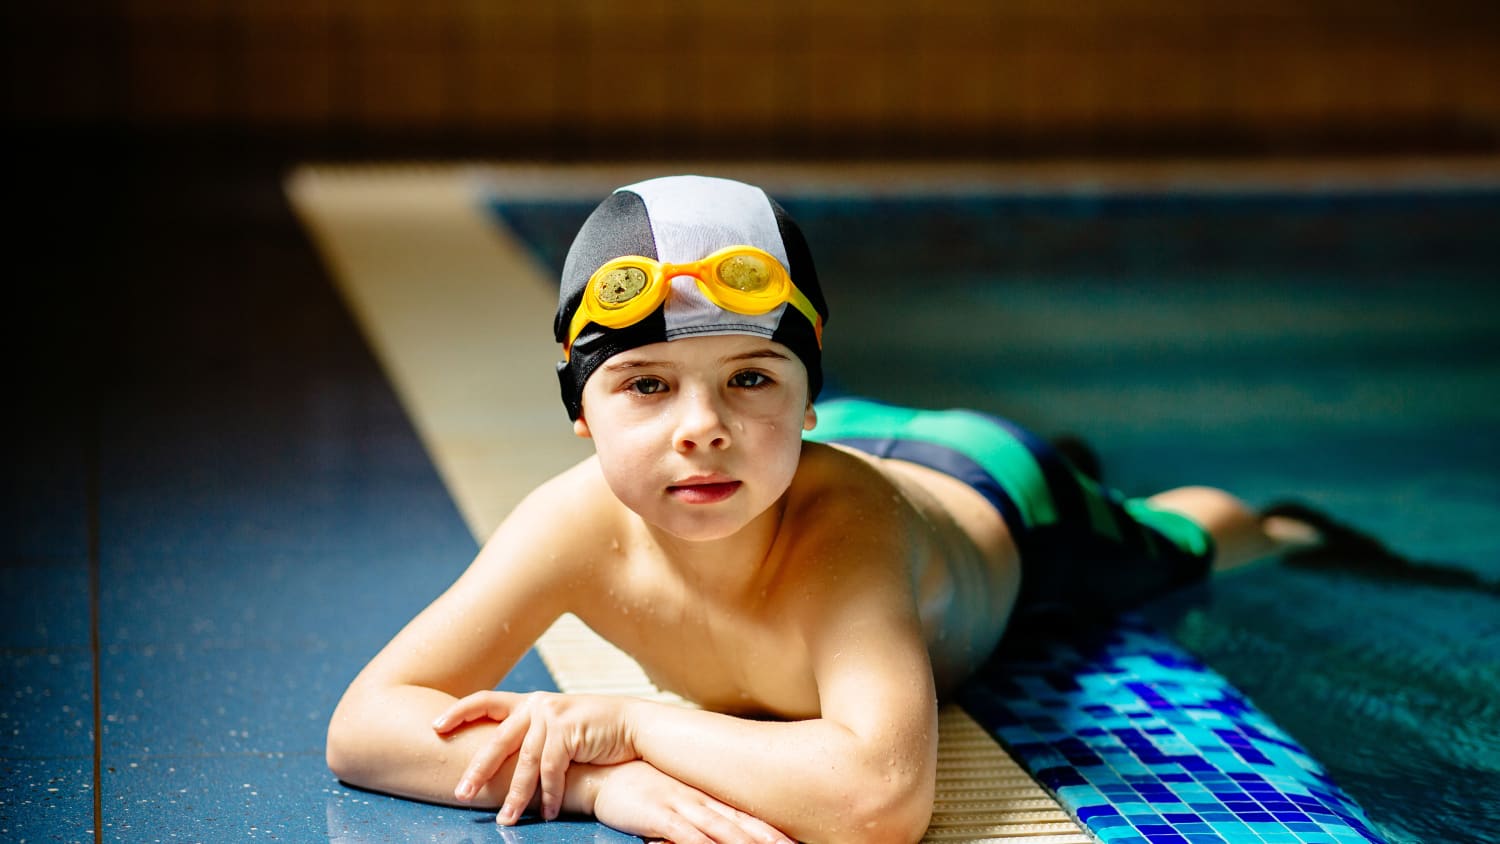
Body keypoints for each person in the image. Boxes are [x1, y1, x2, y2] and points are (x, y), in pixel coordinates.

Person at [326, 175, 1320, 844]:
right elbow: (366, 726)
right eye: (646, 385)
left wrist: (620, 721)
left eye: (749, 377)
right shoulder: (573, 523)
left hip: (991, 488)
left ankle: (1276, 520)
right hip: (819, 441)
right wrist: (598, 783)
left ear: (801, 396)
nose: (700, 428)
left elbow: (881, 796)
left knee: (1182, 542)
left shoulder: (846, 537)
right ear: (579, 410)